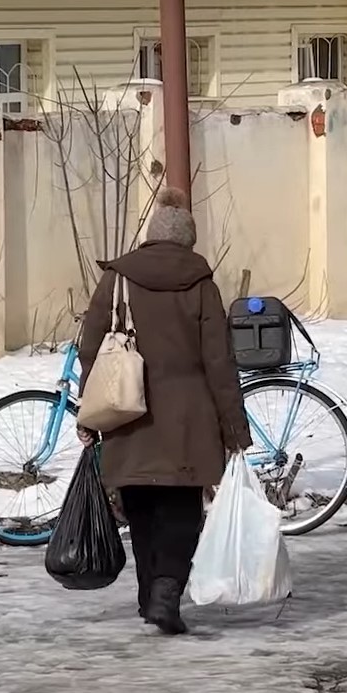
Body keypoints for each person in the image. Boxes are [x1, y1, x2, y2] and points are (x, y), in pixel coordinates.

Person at [77, 187, 252, 635]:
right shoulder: (201, 285)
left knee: (140, 509)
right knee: (181, 510)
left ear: (151, 237)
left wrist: (88, 409)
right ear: (187, 242)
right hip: (188, 418)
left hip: (126, 411)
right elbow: (219, 361)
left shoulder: (118, 279)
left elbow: (91, 346)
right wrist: (234, 428)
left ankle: (148, 596)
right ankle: (166, 592)